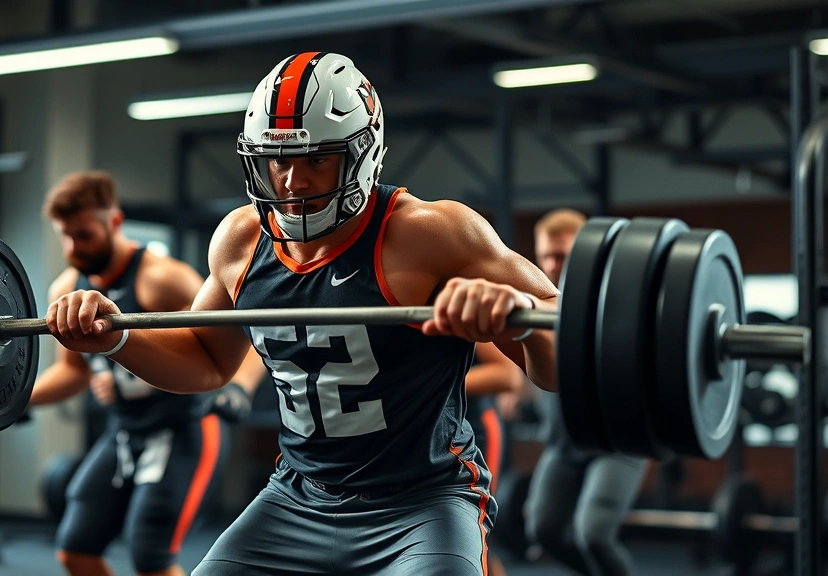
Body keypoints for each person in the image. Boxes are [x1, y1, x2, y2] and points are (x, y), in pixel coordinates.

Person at [45, 52, 559, 576]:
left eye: (317, 160)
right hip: (296, 498)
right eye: (278, 160)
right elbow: (204, 362)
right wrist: (114, 339)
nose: (292, 182)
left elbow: (562, 356)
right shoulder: (241, 240)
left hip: (421, 502)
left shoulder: (431, 232)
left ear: (362, 153)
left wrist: (517, 316)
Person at [29, 171, 268, 576]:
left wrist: (240, 389)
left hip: (185, 429)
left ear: (115, 222)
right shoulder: (66, 289)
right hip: (125, 431)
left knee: (150, 559)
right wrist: (9, 400)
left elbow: (239, 340)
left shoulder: (163, 279)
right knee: (76, 549)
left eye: (83, 235)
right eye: (64, 236)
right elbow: (71, 372)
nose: (73, 248)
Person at [522, 209, 648, 576]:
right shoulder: (538, 305)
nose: (553, 264)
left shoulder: (617, 304)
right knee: (542, 531)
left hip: (617, 444)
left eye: (563, 255)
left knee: (592, 534)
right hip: (563, 445)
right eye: (547, 255)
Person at [465, 343, 528, 576]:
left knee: (477, 535)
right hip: (434, 435)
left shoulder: (458, 306)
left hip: (476, 430)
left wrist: (433, 382)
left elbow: (509, 375)